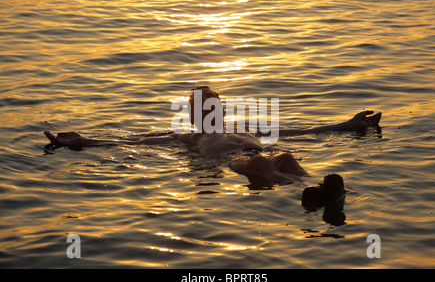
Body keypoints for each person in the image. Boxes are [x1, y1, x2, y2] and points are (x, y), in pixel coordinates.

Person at [44, 86, 382, 184]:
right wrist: (81, 140)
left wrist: (349, 124)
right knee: (264, 167)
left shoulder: (243, 128)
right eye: (204, 107)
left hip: (254, 153)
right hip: (232, 162)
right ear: (192, 114)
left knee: (286, 157)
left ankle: (319, 190)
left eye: (214, 105)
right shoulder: (186, 138)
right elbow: (132, 143)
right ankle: (304, 192)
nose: (210, 111)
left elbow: (302, 131)